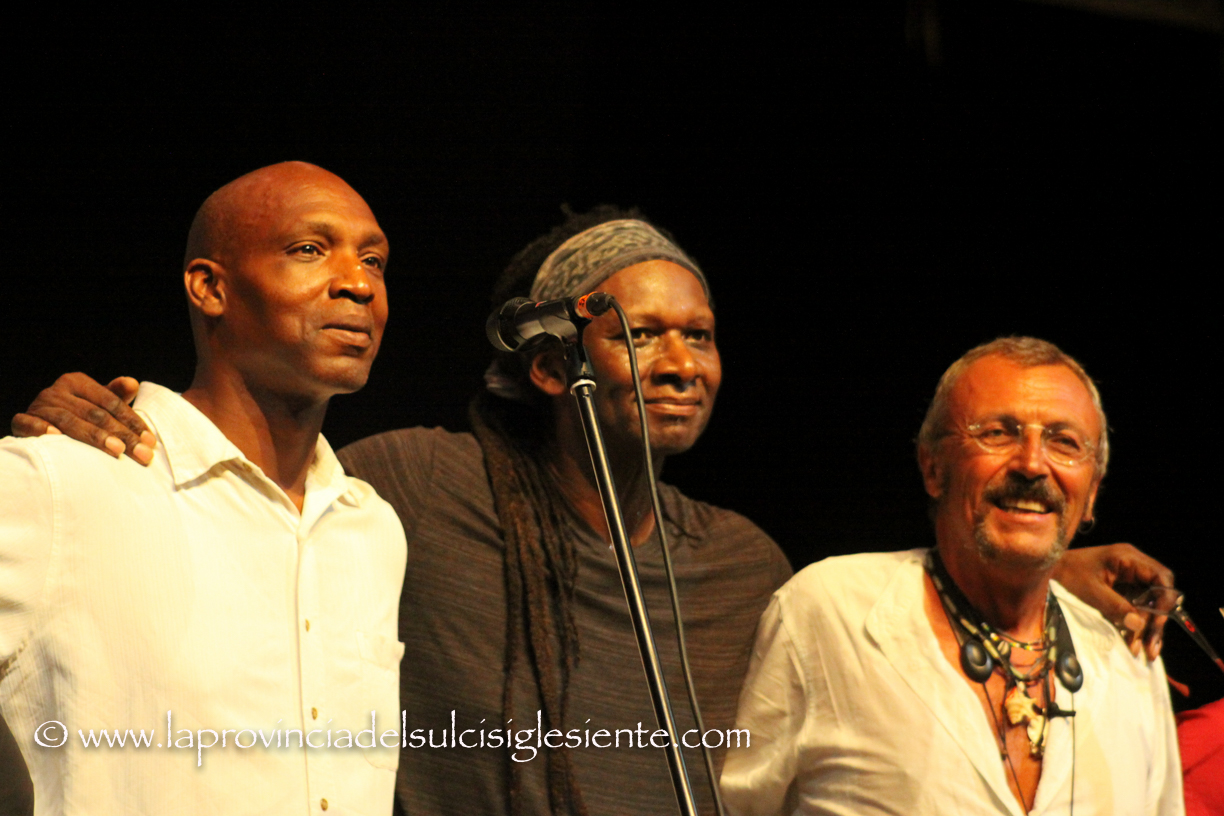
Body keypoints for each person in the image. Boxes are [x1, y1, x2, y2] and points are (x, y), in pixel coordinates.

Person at [11, 228, 1176, 815]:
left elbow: (889, 637)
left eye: (700, 337)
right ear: (543, 362)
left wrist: (1041, 568)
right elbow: (263, 516)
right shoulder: (418, 483)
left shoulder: (746, 565)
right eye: (641, 332)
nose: (680, 362)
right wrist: (98, 414)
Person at [0, 162, 406, 814]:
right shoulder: (63, 483)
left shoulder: (371, 528)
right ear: (210, 288)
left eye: (374, 261)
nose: (358, 284)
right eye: (309, 250)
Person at [721, 337, 1183, 815]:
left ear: (1092, 494)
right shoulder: (827, 612)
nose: (1031, 463)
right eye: (998, 434)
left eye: (1064, 442)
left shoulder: (1130, 654)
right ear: (933, 469)